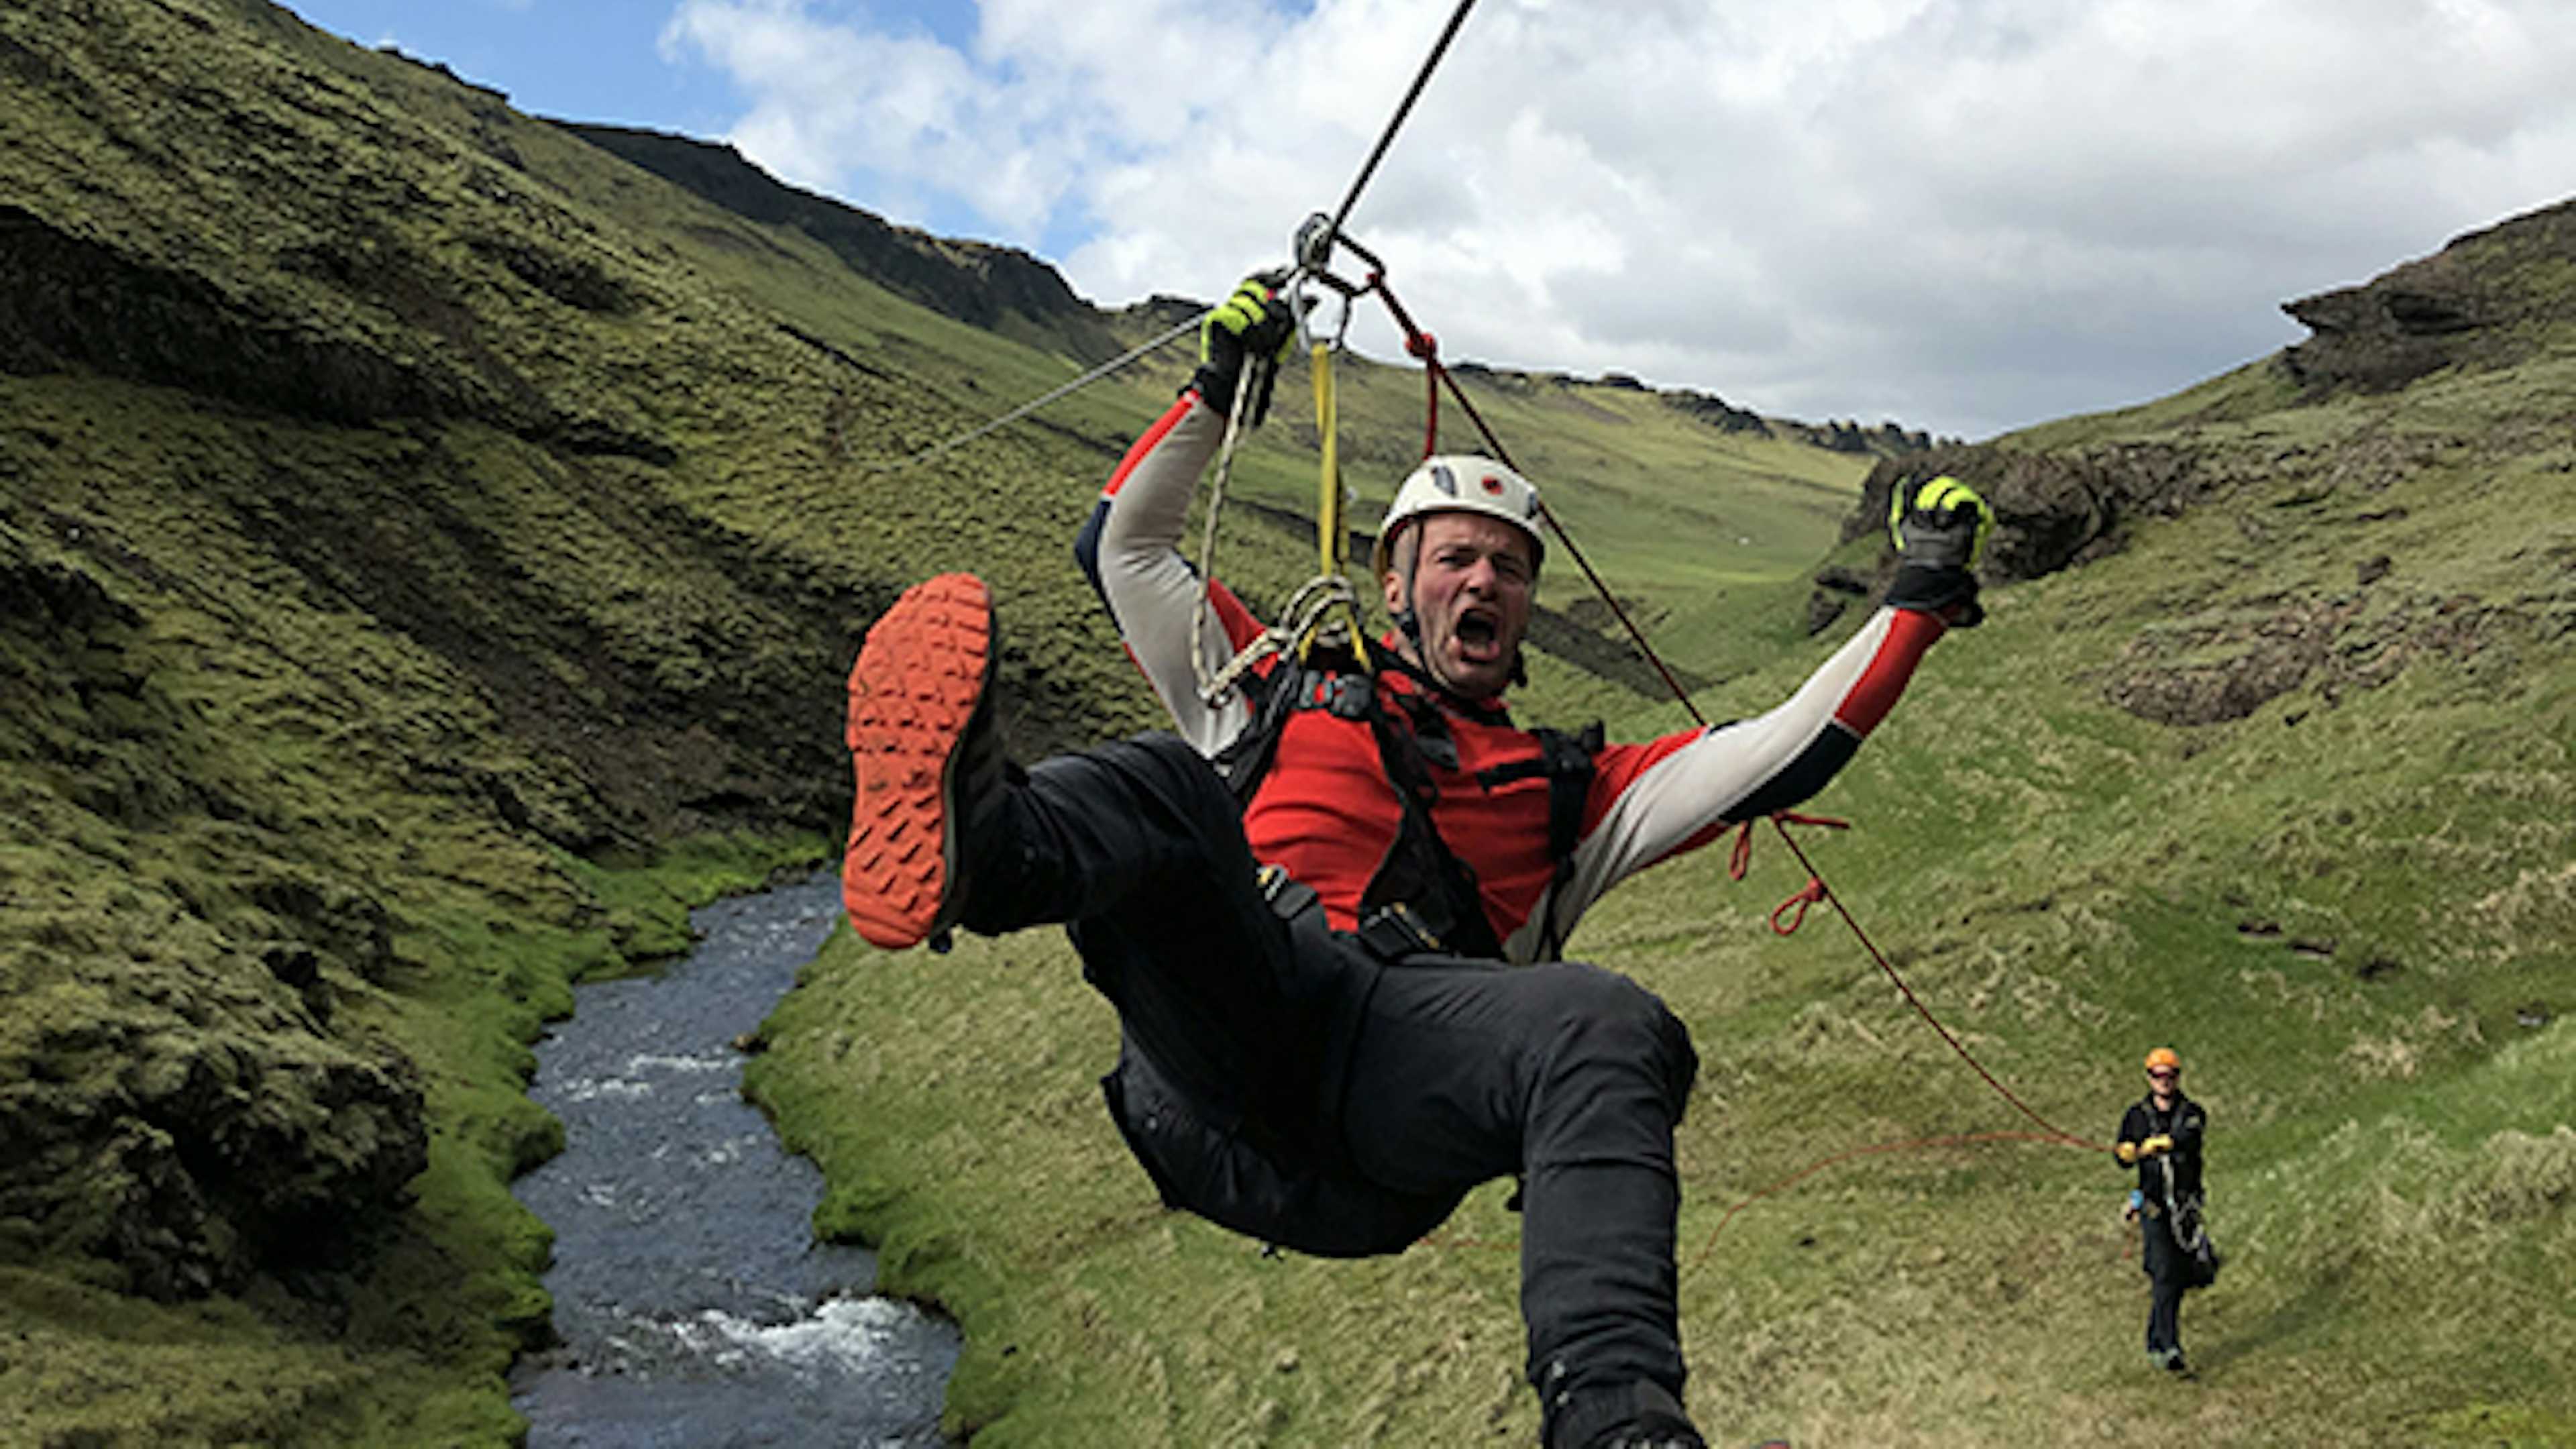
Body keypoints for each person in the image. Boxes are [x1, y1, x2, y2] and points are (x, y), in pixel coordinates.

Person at [838, 272, 1994, 1449]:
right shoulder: (1270, 686)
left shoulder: (1572, 792)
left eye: (1509, 566)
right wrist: (1216, 393)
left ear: (1530, 605)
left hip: (1389, 1102)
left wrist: (1918, 594)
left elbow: (1780, 753)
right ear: (1395, 586)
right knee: (1172, 785)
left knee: (1607, 1021)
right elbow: (1125, 548)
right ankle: (979, 848)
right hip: (1232, 1025)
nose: (1484, 579)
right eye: (1453, 559)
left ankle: (1618, 1425)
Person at [2116, 1045, 2210, 1377]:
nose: (2164, 1081)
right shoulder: (2137, 1116)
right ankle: (2169, 1347)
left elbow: (2190, 1135)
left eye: (2169, 1076)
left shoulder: (2191, 1111)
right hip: (2155, 1207)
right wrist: (2125, 1152)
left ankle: (2156, 1341)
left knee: (2180, 1277)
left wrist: (2168, 1142)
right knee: (2164, 1272)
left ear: (2177, 1078)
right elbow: (2123, 1152)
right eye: (2157, 1076)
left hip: (2184, 1208)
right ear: (2149, 1078)